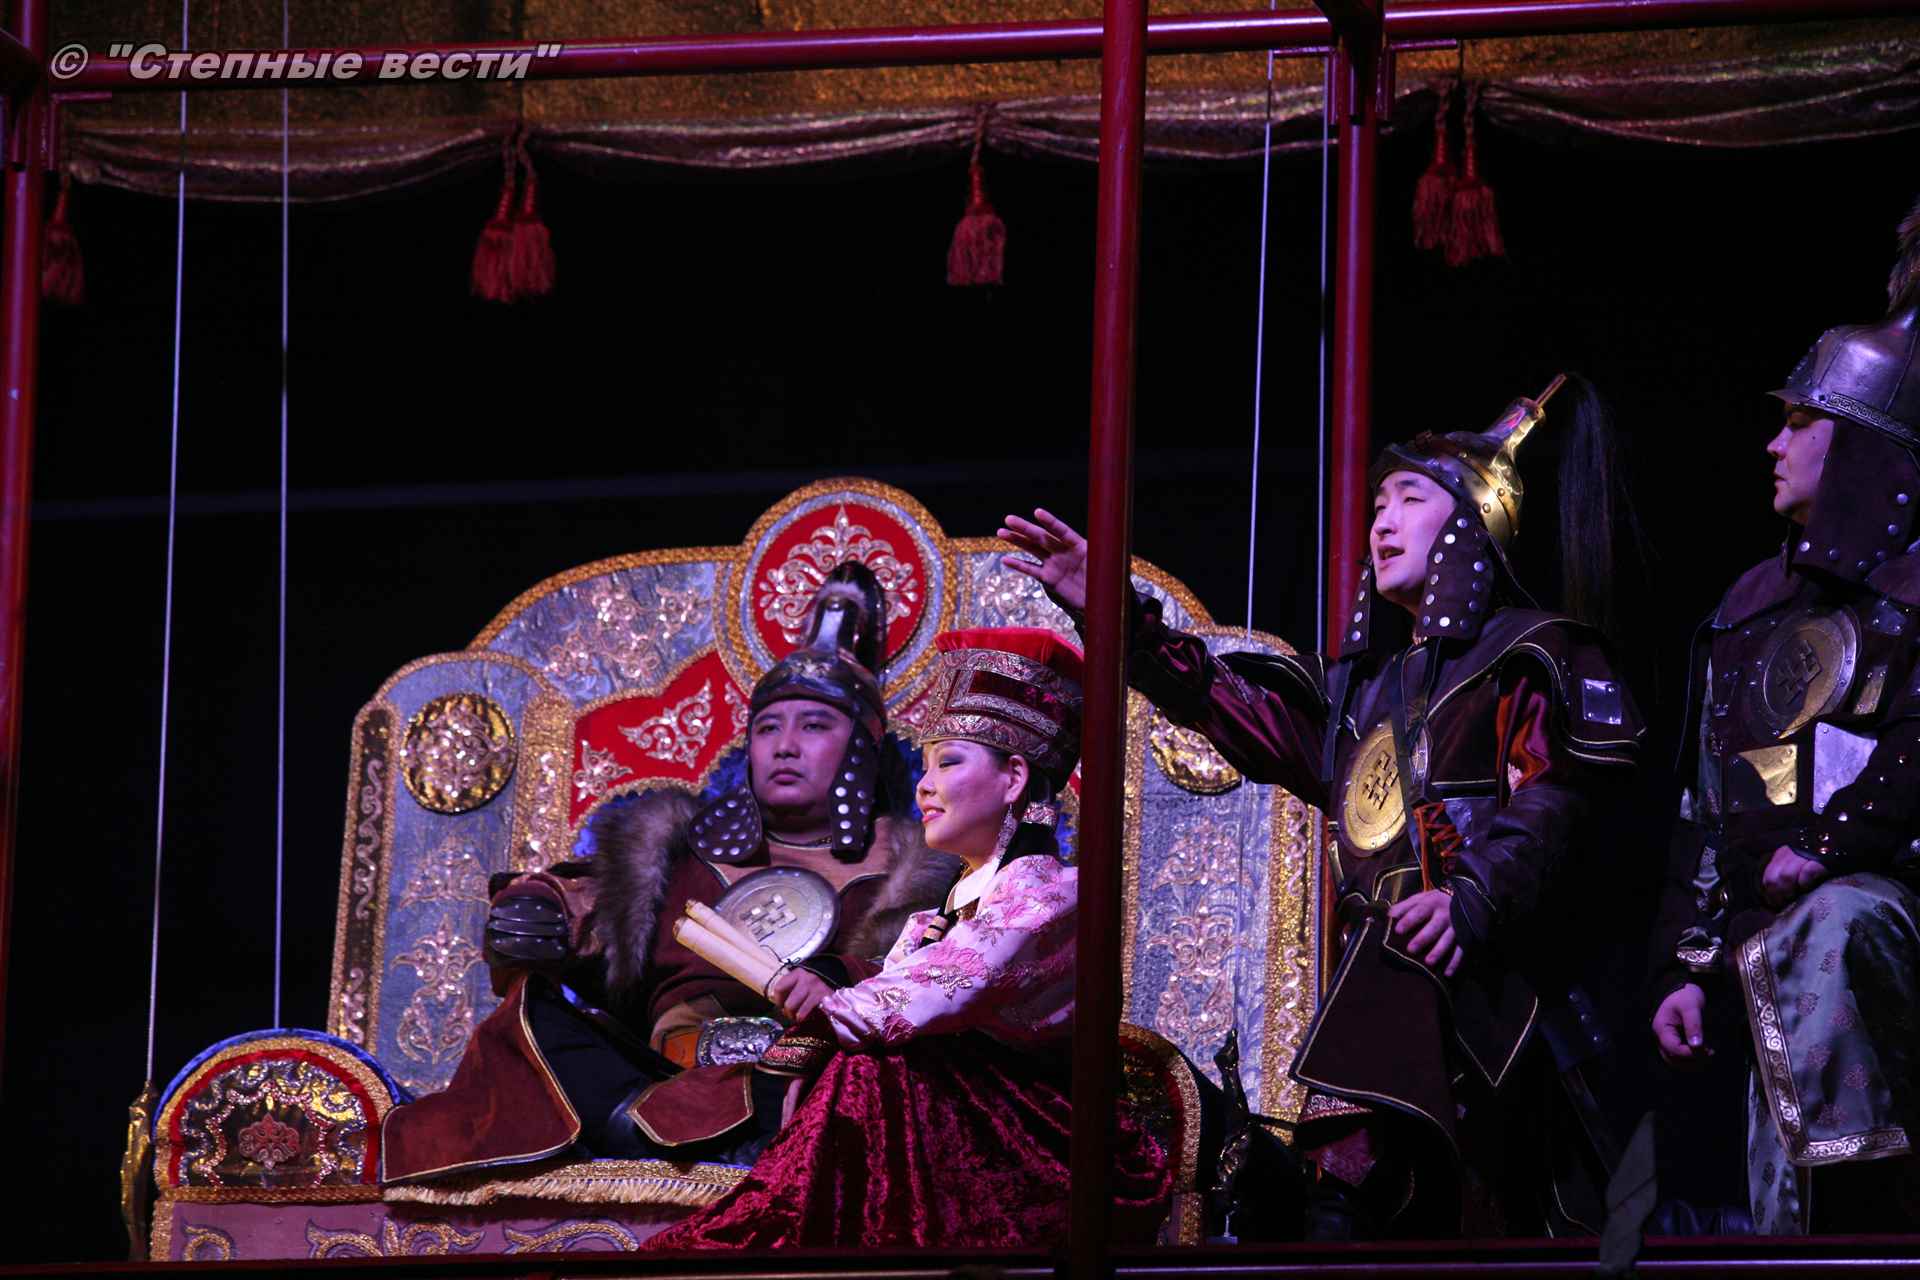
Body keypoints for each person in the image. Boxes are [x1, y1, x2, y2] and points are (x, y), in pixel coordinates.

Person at [999, 376, 1646, 1238]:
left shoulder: (1531, 653)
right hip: (1393, 993)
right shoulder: (1364, 694)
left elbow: (1554, 797)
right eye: (1377, 505)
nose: (1381, 523)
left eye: (1409, 499)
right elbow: (1231, 706)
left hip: (1501, 988)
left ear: (1473, 522)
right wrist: (1121, 620)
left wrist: (1472, 897)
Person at [381, 563, 958, 1182]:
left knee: (888, 1077)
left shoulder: (919, 870)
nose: (784, 745)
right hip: (663, 1077)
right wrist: (538, 907)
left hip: (810, 1080)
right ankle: (633, 1129)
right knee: (533, 1018)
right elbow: (582, 900)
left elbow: (950, 974)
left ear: (861, 747)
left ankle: (745, 1135)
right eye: (768, 727)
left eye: (814, 726)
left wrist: (846, 978)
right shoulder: (674, 853)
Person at [636, 627, 1172, 1249]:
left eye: (948, 762)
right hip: (975, 1117)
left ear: (1013, 777)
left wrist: (825, 1010)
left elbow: (935, 993)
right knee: (856, 1069)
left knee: (872, 1071)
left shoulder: (1049, 895)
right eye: (924, 765)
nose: (924, 785)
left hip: (1044, 1136)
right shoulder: (938, 913)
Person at [1649, 196, 1920, 1234]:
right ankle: (1800, 1243)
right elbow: (1706, 809)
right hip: (1776, 947)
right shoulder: (1750, 609)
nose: (1772, 442)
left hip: (1889, 910)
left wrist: (1831, 844)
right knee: (1790, 959)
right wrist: (1686, 965)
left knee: (1831, 925)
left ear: (1860, 446)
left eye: (1799, 422)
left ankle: (1856, 1218)